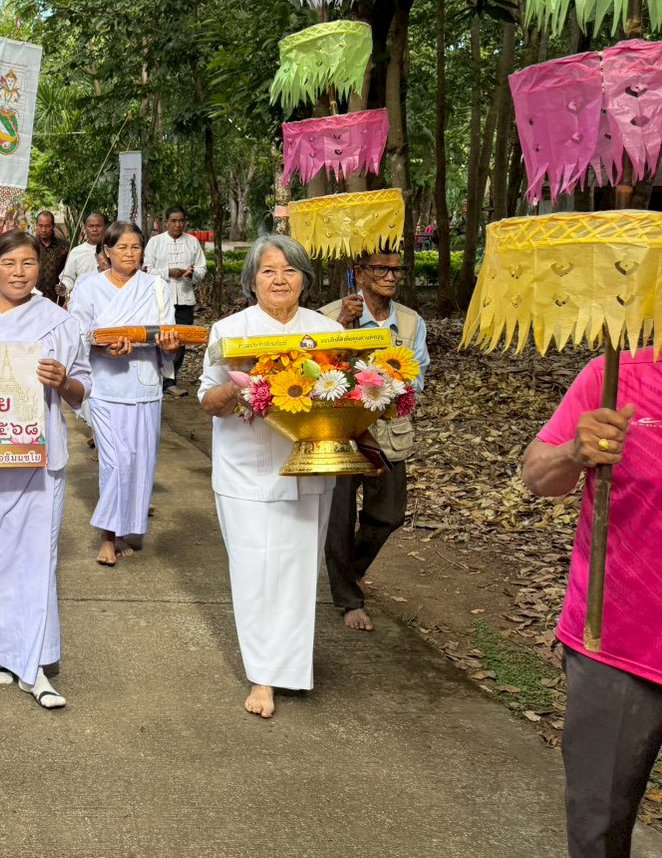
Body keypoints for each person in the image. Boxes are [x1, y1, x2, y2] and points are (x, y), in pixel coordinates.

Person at [0, 231, 91, 710]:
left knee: (34, 558)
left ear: (40, 269)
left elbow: (82, 390)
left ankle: (35, 662)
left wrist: (62, 380)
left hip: (38, 459)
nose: (19, 272)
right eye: (9, 262)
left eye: (28, 263)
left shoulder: (59, 323)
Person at [197, 234, 343, 719]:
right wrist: (241, 386)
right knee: (256, 570)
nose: (279, 279)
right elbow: (208, 403)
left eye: (290, 270)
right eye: (268, 271)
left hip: (309, 467)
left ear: (304, 277)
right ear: (252, 280)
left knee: (300, 571)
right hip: (246, 471)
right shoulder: (229, 330)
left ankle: (291, 669)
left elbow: (347, 395)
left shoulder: (325, 330)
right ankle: (262, 676)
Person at [523, 351, 662, 858]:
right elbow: (538, 478)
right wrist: (573, 454)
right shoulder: (614, 377)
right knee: (598, 828)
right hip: (617, 646)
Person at [320, 250, 430, 630]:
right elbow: (314, 368)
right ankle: (349, 599)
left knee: (389, 514)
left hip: (387, 429)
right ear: (359, 274)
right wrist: (340, 326)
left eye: (397, 268)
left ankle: (348, 571)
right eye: (381, 268)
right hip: (341, 430)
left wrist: (385, 383)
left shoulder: (411, 322)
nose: (391, 275)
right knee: (339, 515)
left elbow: (417, 377)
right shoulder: (330, 314)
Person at [68, 221, 179, 566]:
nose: (129, 254)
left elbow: (170, 338)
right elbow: (78, 335)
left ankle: (126, 529)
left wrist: (171, 346)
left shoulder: (157, 287)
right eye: (122, 248)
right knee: (115, 463)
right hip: (105, 387)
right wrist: (102, 350)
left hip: (144, 386)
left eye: (135, 247)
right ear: (107, 253)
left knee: (139, 463)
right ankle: (107, 535)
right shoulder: (89, 288)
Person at [143, 205, 206, 396]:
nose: (178, 225)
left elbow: (202, 269)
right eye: (174, 221)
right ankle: (154, 379)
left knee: (180, 340)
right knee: (158, 338)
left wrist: (191, 274)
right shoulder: (155, 242)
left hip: (185, 298)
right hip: (160, 300)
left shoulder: (193, 242)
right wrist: (168, 273)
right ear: (166, 222)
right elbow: (146, 269)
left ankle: (171, 382)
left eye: (181, 221)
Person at [58, 212, 108, 300]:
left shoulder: (113, 250)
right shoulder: (76, 252)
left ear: (106, 227)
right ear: (85, 228)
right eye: (91, 226)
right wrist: (64, 286)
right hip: (83, 299)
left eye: (98, 226)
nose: (94, 229)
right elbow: (68, 277)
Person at [34, 210, 71, 304]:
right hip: (34, 297)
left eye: (47, 226)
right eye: (40, 226)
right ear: (36, 225)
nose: (43, 230)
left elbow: (70, 272)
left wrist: (65, 287)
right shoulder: (30, 245)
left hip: (57, 300)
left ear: (53, 226)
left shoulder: (65, 247)